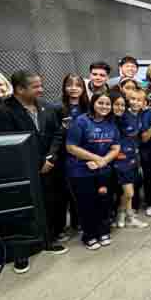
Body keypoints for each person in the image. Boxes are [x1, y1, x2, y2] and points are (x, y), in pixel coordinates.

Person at [0, 71, 68, 274]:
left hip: (49, 167)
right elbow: (6, 145)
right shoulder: (2, 111)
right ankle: (21, 252)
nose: (41, 89)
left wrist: (50, 158)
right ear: (20, 89)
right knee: (24, 211)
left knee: (48, 204)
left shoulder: (47, 107)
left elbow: (57, 132)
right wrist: (38, 162)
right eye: (35, 86)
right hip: (23, 171)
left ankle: (47, 240)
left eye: (40, 85)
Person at [66, 92, 121, 250]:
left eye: (107, 104)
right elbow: (71, 147)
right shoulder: (81, 121)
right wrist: (96, 158)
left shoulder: (111, 122)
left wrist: (103, 161)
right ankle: (89, 235)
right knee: (87, 204)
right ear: (93, 103)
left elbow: (116, 147)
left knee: (104, 203)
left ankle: (104, 231)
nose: (104, 107)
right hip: (81, 171)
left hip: (103, 170)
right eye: (100, 103)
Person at [57, 73, 90, 239]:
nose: (74, 88)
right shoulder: (58, 108)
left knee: (83, 192)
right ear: (64, 87)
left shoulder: (88, 108)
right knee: (66, 192)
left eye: (78, 85)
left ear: (83, 88)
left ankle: (80, 223)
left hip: (86, 155)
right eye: (70, 85)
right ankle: (62, 227)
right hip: (66, 156)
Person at [110, 90, 148, 229]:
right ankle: (122, 214)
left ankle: (126, 216)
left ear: (144, 103)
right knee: (128, 192)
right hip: (121, 158)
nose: (135, 102)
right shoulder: (121, 115)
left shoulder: (139, 116)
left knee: (130, 190)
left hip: (133, 158)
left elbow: (139, 138)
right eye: (132, 99)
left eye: (139, 100)